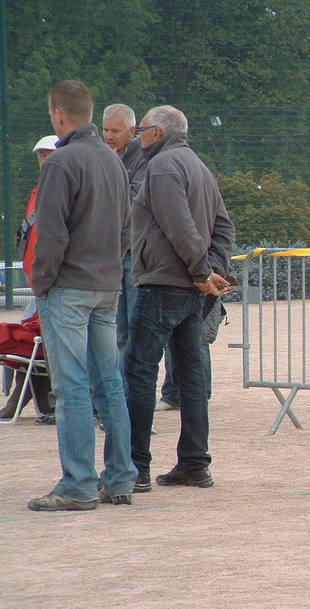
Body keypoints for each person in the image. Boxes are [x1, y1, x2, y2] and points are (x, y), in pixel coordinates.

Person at [27, 80, 137, 511]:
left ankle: (78, 483)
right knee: (110, 383)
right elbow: (127, 230)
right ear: (91, 114)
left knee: (71, 387)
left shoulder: (60, 163)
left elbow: (50, 234)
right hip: (107, 285)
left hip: (68, 287)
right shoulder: (114, 162)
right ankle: (121, 477)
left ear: (58, 114)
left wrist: (42, 282)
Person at [124, 105, 235, 493]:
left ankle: (134, 468)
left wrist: (203, 271)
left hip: (164, 286)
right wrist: (210, 272)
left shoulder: (162, 167)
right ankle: (194, 463)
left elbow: (178, 225)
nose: (136, 136)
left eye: (141, 130)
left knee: (138, 372)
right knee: (190, 376)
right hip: (191, 289)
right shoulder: (198, 166)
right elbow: (223, 225)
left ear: (156, 132)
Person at [0, 135, 59, 423]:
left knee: (32, 338)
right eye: (41, 156)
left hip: (54, 283)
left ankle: (25, 403)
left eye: (49, 155)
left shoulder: (61, 189)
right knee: (30, 339)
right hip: (38, 280)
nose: (44, 160)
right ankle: (28, 402)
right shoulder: (38, 191)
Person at [102, 104, 147, 369]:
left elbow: (134, 201)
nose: (109, 136)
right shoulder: (103, 154)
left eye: (115, 131)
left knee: (135, 328)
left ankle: (134, 393)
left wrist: (111, 167)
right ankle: (119, 393)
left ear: (132, 130)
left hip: (135, 254)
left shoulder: (144, 157)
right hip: (111, 254)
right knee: (118, 331)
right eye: (105, 129)